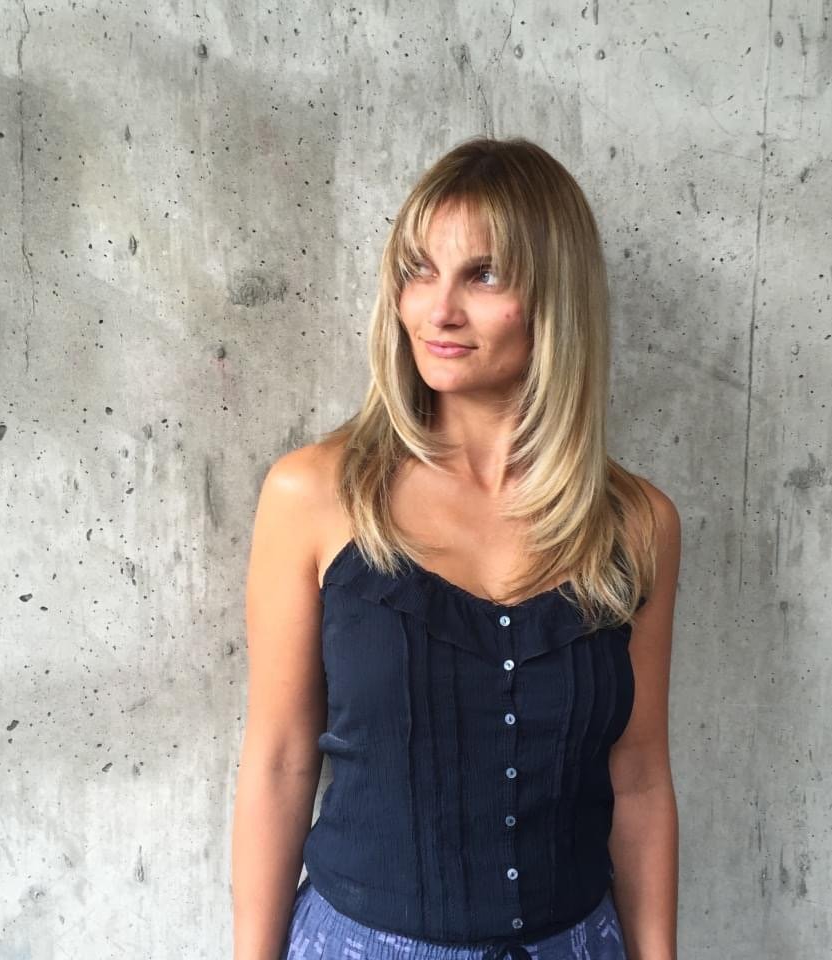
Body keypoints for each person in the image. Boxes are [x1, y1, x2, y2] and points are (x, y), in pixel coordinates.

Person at [231, 135, 681, 960]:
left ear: (555, 297)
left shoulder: (636, 524)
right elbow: (279, 761)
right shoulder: (315, 496)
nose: (436, 310)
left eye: (483, 274)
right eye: (418, 270)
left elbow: (640, 777)